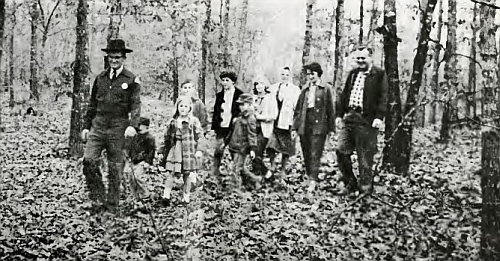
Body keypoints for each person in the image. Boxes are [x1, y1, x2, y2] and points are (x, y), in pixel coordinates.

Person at [81, 39, 141, 213]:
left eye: (117, 57)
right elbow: (92, 104)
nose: (114, 60)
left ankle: (112, 205)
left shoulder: (131, 80)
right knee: (89, 161)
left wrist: (133, 125)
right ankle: (99, 198)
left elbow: (136, 105)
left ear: (123, 58)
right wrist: (86, 126)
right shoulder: (100, 78)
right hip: (98, 125)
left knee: (115, 166)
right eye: (111, 57)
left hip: (118, 126)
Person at [335, 46, 388, 195]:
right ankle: (350, 183)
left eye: (363, 58)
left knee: (364, 156)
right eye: (358, 58)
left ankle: (365, 189)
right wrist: (339, 115)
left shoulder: (379, 74)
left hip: (366, 120)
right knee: (341, 150)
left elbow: (384, 97)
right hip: (350, 117)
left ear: (370, 58)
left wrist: (379, 117)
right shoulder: (352, 74)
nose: (360, 61)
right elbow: (344, 95)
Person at [292, 62, 335, 193]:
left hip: (319, 124)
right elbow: (298, 110)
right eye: (308, 74)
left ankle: (313, 180)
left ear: (318, 74)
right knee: (306, 151)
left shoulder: (326, 88)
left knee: (315, 152)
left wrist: (331, 129)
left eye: (313, 74)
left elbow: (330, 110)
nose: (310, 76)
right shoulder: (305, 89)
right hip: (305, 123)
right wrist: (294, 128)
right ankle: (309, 175)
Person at [160, 96, 204, 204]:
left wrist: (199, 150)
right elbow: (166, 137)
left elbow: (200, 136)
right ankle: (166, 195)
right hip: (175, 151)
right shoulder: (173, 121)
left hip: (187, 151)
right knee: (170, 173)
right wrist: (161, 151)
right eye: (181, 106)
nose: (183, 108)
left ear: (189, 108)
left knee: (187, 175)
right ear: (177, 107)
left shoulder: (193, 122)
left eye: (185, 106)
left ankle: (186, 196)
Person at [266, 67, 301, 180]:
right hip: (274, 122)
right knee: (271, 145)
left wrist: (296, 126)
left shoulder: (295, 90)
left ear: (290, 76)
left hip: (287, 123)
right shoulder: (273, 88)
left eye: (287, 74)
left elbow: (298, 109)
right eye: (282, 74)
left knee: (286, 148)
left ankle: (282, 170)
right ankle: (272, 165)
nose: (284, 76)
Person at [211, 70, 244, 181]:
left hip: (234, 128)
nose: (224, 83)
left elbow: (242, 111)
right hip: (221, 127)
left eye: (227, 80)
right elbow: (216, 112)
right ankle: (215, 174)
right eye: (223, 80)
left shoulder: (239, 94)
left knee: (234, 150)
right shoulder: (220, 95)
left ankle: (237, 174)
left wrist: (237, 120)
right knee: (218, 149)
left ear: (233, 82)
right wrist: (214, 128)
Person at [227, 93, 261, 190]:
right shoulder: (239, 117)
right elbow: (233, 132)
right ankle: (255, 180)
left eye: (243, 104)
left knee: (236, 169)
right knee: (241, 168)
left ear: (250, 105)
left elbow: (252, 134)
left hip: (242, 148)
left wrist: (252, 148)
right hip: (234, 146)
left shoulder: (250, 118)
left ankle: (236, 190)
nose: (241, 107)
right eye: (240, 105)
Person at [252, 77, 278, 177]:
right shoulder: (253, 98)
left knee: (257, 152)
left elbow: (274, 115)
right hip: (253, 129)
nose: (259, 86)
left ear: (265, 86)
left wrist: (260, 117)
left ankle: (266, 173)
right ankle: (257, 176)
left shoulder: (270, 98)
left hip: (264, 129)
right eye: (257, 84)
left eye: (261, 83)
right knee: (252, 152)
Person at [124, 117, 156, 198]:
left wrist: (148, 162)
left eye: (140, 126)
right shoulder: (135, 136)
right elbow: (130, 147)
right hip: (134, 160)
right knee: (131, 177)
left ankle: (145, 194)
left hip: (142, 161)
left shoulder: (149, 138)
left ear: (146, 127)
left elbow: (151, 151)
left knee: (138, 177)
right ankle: (135, 194)